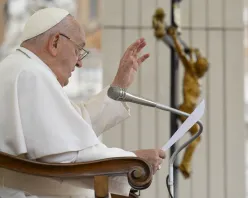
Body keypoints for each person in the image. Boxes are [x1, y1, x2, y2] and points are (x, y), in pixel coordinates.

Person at [0, 7, 166, 198]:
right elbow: (66, 158)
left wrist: (118, 86)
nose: (80, 63)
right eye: (78, 49)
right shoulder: (32, 75)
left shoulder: (19, 68)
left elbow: (71, 131)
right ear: (54, 42)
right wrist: (134, 161)